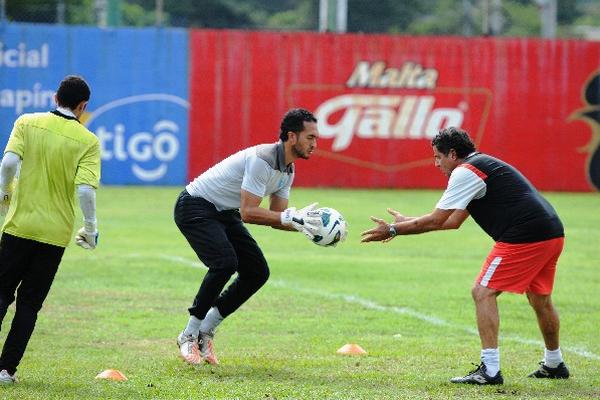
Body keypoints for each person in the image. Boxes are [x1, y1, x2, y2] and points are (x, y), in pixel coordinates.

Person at [361, 127, 568, 385]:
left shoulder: (464, 172)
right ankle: (554, 363)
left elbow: (437, 220)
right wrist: (407, 222)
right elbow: (452, 221)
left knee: (483, 292)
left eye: (438, 157)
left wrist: (393, 229)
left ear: (453, 153)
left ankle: (490, 370)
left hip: (524, 235)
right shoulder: (479, 166)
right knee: (540, 299)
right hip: (551, 231)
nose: (436, 163)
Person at [174, 108, 322, 365]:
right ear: (291, 136)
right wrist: (290, 218)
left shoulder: (288, 169)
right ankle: (188, 335)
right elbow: (250, 212)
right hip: (195, 205)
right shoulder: (262, 160)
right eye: (310, 137)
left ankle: (205, 330)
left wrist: (307, 226)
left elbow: (277, 216)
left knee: (257, 272)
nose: (315, 144)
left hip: (223, 211)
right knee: (224, 263)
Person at [0, 75, 101, 385]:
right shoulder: (88, 141)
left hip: (19, 226)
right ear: (82, 106)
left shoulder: (27, 122)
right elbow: (85, 192)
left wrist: (5, 194)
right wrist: (90, 228)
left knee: (2, 294)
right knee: (29, 304)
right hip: (55, 234)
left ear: (56, 97)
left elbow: (8, 164)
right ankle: (5, 371)